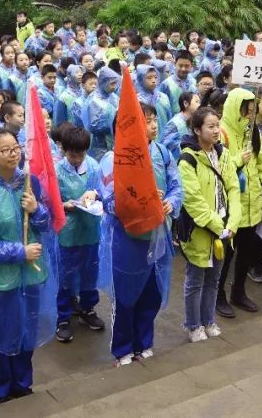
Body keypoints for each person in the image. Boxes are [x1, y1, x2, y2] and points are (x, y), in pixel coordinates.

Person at [0, 128, 58, 406]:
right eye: (5, 150)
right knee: (1, 337)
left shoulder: (30, 183)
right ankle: (0, 391)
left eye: (15, 147)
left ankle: (22, 384)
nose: (13, 154)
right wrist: (20, 252)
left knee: (27, 331)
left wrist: (36, 210)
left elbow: (47, 225)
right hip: (0, 280)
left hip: (30, 276)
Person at [99, 102, 181, 364]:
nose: (153, 125)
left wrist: (170, 202)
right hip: (127, 239)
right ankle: (122, 347)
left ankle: (144, 342)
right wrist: (141, 203)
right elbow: (110, 201)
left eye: (154, 119)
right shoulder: (112, 160)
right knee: (126, 295)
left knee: (152, 292)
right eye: (146, 121)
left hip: (158, 234)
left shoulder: (162, 152)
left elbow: (176, 186)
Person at [176, 108, 240, 343]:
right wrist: (218, 225)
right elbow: (193, 201)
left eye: (217, 125)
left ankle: (208, 320)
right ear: (197, 130)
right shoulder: (188, 160)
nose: (216, 131)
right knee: (195, 280)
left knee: (214, 278)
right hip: (200, 230)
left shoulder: (222, 154)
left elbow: (233, 187)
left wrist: (232, 222)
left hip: (223, 228)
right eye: (210, 126)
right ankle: (193, 325)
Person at [215, 88, 262, 318]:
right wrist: (239, 159)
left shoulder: (253, 131)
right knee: (227, 255)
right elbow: (216, 170)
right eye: (245, 111)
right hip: (232, 209)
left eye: (251, 111)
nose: (249, 116)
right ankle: (218, 295)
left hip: (253, 204)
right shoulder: (221, 133)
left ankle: (239, 291)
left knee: (246, 253)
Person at [53, 125, 107, 344]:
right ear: (63, 150)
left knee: (89, 271)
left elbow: (104, 191)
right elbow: (51, 201)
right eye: (71, 154)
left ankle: (88, 308)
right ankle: (63, 316)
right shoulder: (57, 171)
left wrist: (94, 193)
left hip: (90, 229)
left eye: (80, 154)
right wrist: (65, 205)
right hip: (68, 231)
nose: (76, 159)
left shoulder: (93, 166)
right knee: (65, 274)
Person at [83, 67, 120, 160]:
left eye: (115, 83)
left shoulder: (113, 97)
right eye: (111, 84)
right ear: (104, 83)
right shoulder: (94, 100)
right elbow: (93, 125)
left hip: (114, 142)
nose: (114, 87)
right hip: (98, 146)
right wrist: (112, 118)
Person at [164, 91, 199, 160]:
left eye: (199, 102)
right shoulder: (175, 123)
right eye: (196, 102)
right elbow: (166, 147)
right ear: (185, 103)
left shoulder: (196, 120)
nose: (199, 105)